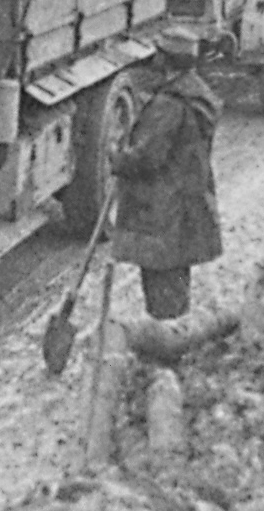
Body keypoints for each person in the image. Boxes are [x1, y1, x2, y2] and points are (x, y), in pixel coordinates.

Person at [110, 27, 223, 321]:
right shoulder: (197, 94)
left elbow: (147, 158)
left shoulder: (169, 105)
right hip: (186, 204)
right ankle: (176, 337)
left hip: (162, 209)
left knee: (160, 283)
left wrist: (118, 160)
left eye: (159, 53)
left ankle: (165, 345)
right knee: (177, 278)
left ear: (167, 59)